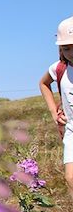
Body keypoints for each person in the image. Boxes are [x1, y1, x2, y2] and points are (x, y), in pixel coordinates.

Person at [38, 16, 73, 202]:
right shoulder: (59, 68)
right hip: (71, 129)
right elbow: (43, 83)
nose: (71, 52)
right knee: (70, 177)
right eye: (66, 48)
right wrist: (54, 112)